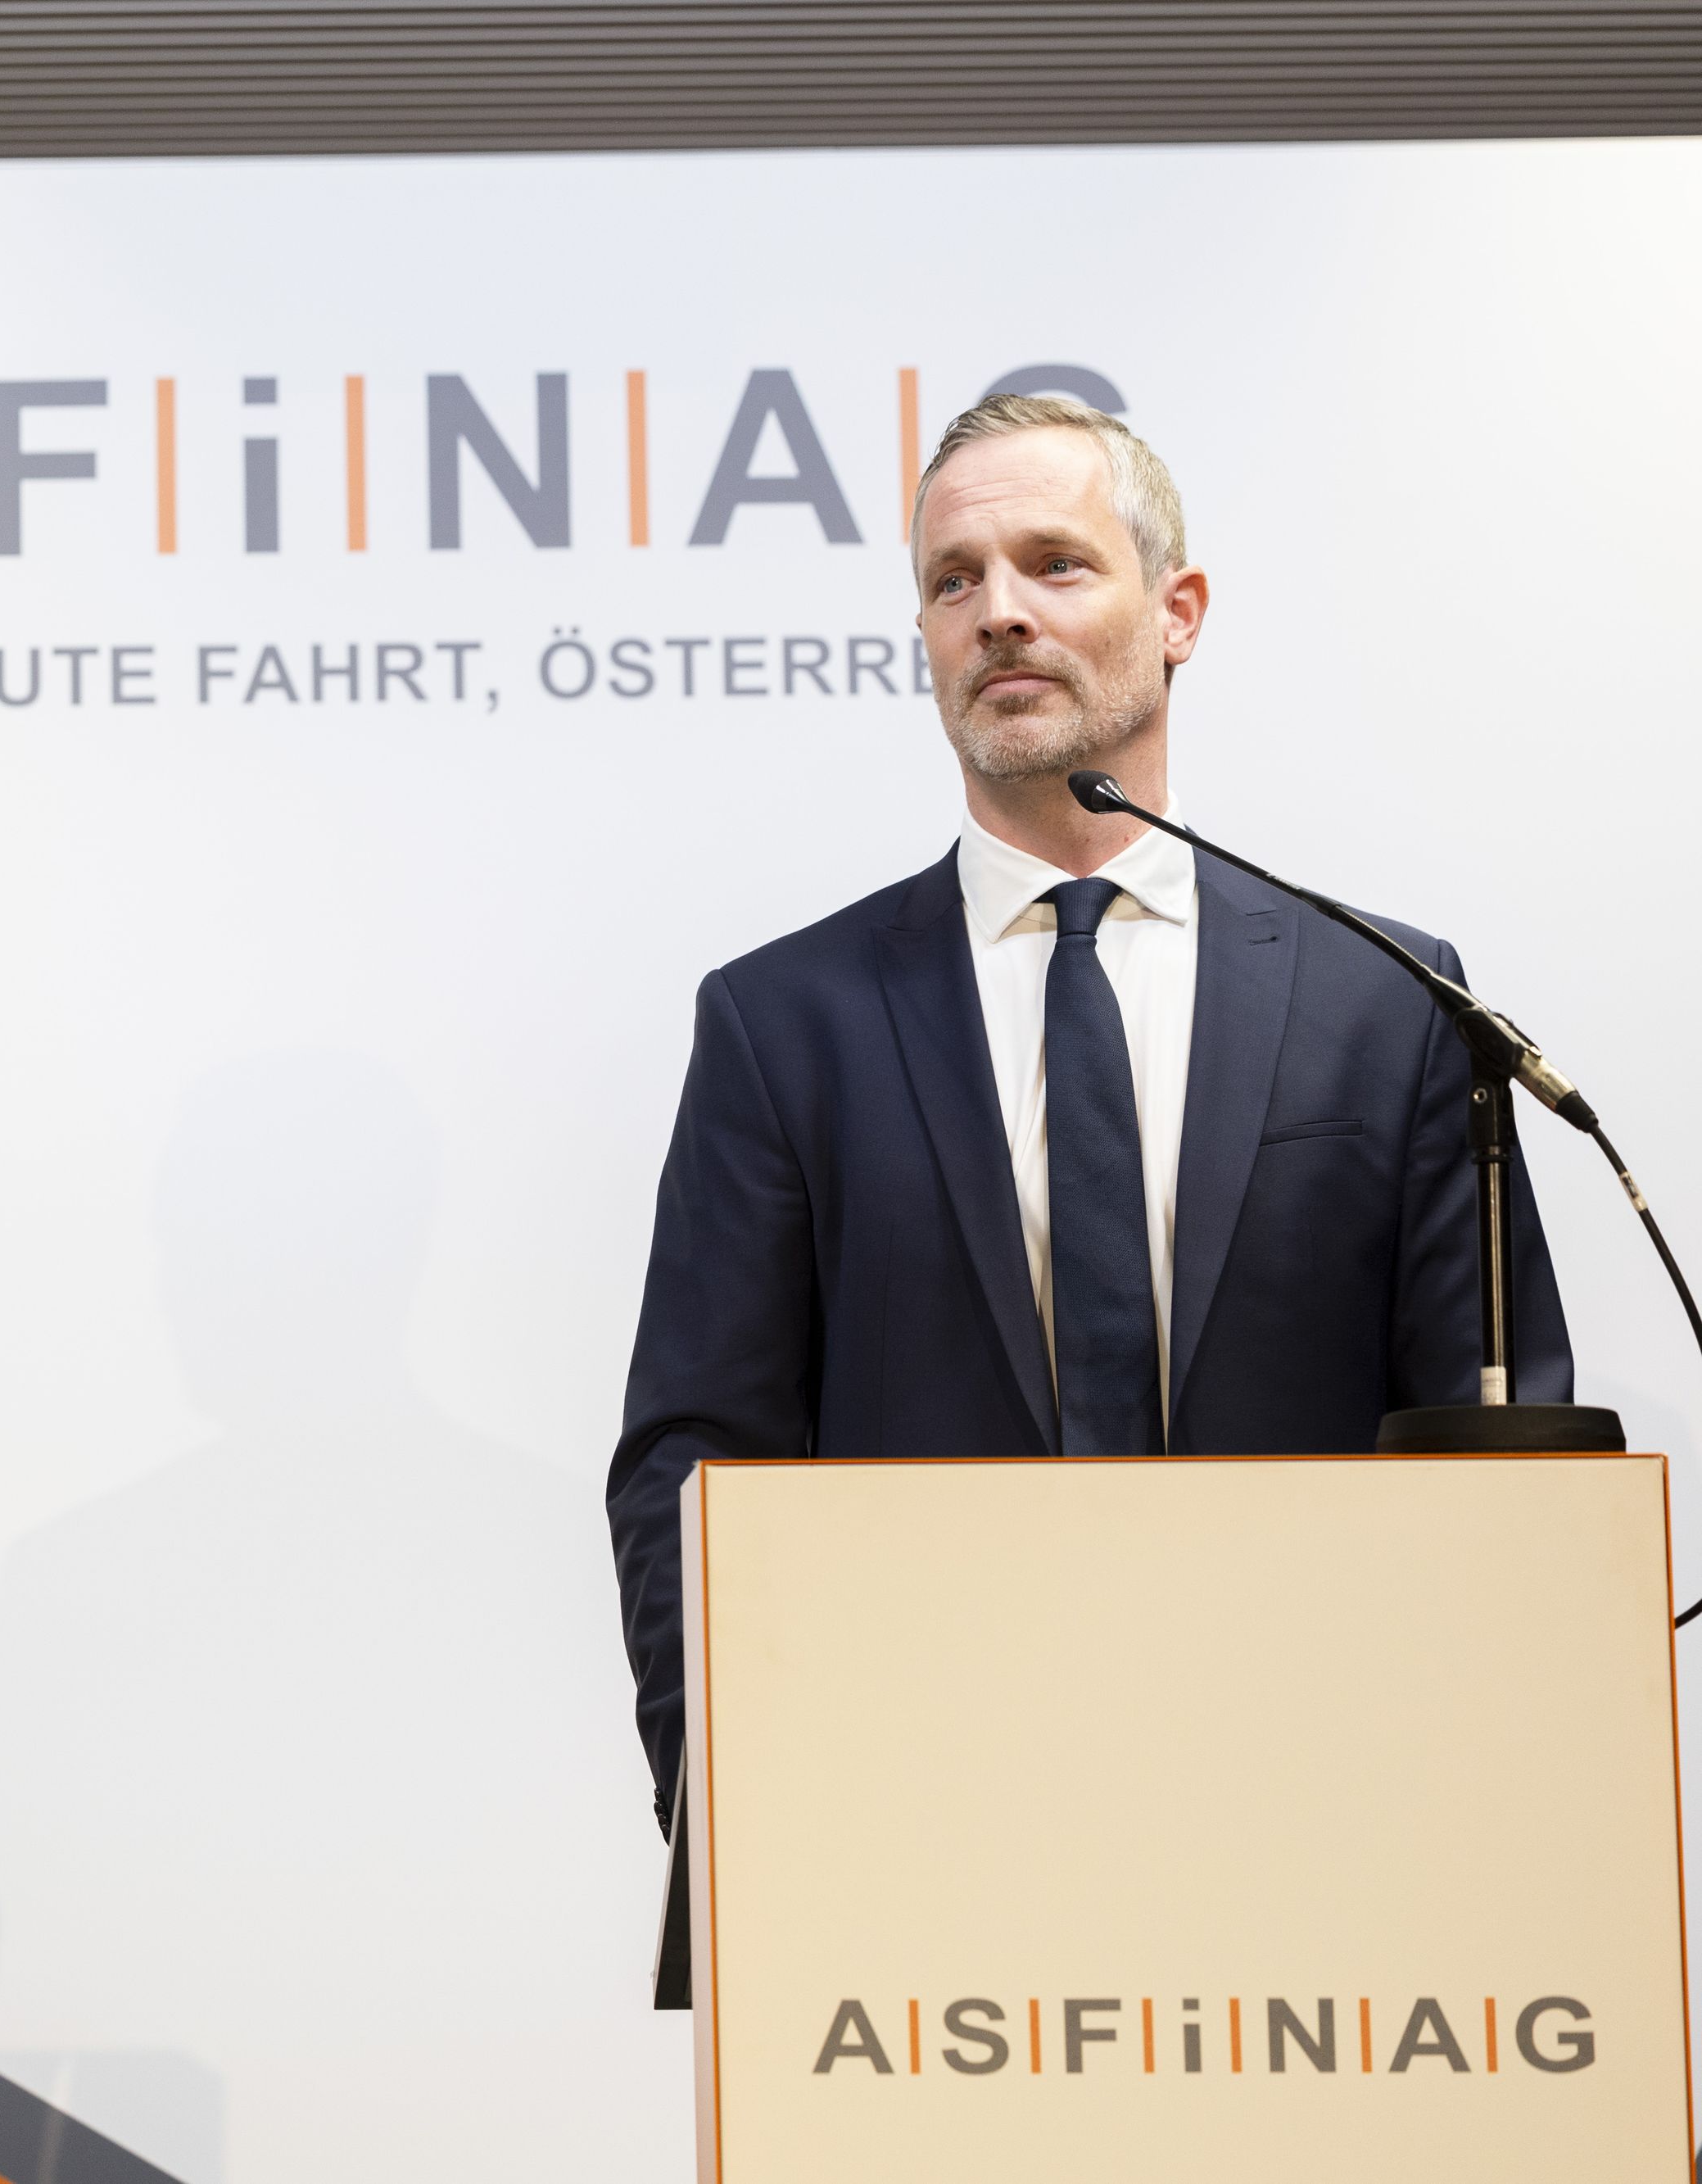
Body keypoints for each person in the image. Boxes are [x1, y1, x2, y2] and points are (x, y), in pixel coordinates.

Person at [602, 396, 1566, 1828]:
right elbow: (694, 1466)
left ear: (1177, 612)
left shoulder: (1389, 999)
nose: (997, 613)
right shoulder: (783, 1023)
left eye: (1055, 563)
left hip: (1330, 1819)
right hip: (922, 1822)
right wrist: (740, 1813)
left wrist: (1494, 1801)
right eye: (953, 579)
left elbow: (1496, 1446)